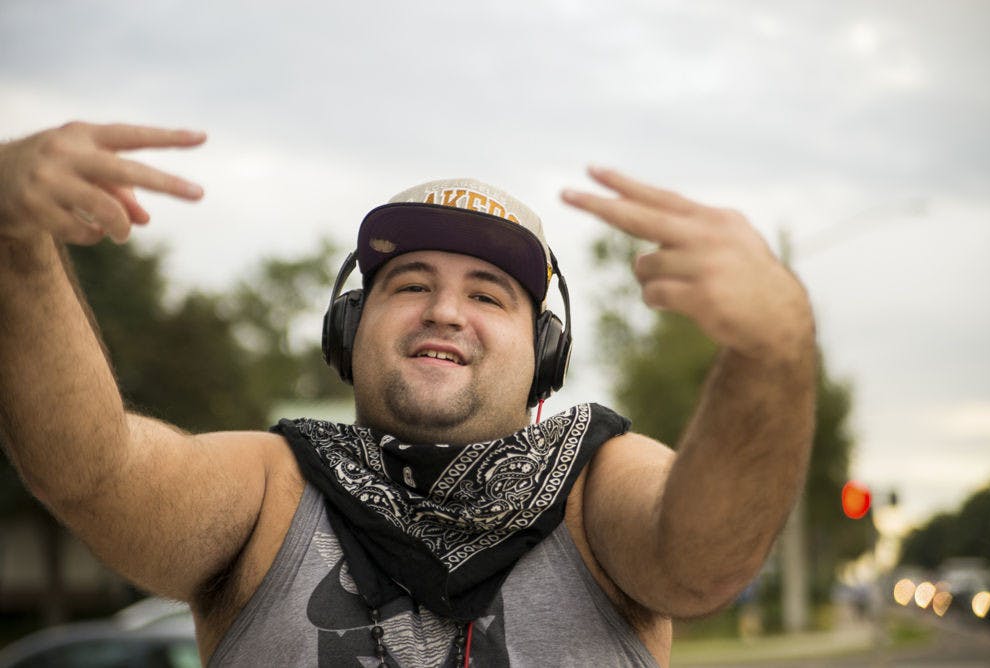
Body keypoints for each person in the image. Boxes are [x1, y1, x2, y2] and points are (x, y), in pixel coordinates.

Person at [0, 121, 816, 667]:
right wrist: (15, 246)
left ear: (544, 353)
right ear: (351, 327)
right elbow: (94, 473)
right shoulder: (268, 485)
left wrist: (773, 352)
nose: (445, 311)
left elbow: (705, 563)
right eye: (411, 283)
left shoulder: (597, 483)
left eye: (489, 295)